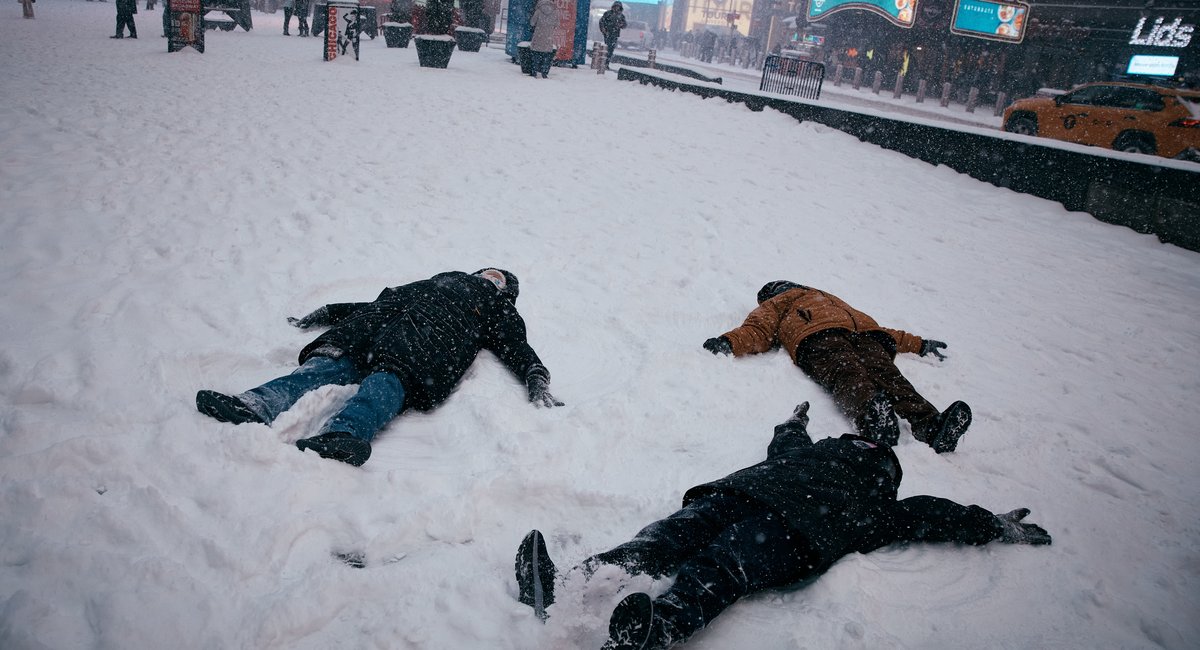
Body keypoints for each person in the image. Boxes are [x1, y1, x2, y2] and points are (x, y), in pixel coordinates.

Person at [515, 403, 1051, 650]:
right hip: (740, 494)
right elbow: (788, 443)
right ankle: (574, 583)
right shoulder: (806, 455)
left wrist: (994, 525)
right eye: (854, 444)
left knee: (722, 564)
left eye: (870, 452)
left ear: (884, 474)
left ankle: (658, 631)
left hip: (798, 530)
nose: (858, 449)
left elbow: (932, 513)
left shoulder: (878, 505)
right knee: (665, 537)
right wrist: (792, 423)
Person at [195, 269, 564, 467]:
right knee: (323, 368)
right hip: (374, 329)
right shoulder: (441, 278)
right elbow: (387, 300)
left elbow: (516, 346)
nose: (491, 278)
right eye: (489, 272)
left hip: (427, 345)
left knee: (387, 383)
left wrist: (535, 374)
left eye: (499, 279)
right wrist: (332, 311)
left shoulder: (499, 308)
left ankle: (345, 434)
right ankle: (255, 404)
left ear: (505, 291)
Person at [702, 281, 971, 453]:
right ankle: (872, 419)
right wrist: (730, 342)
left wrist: (919, 344)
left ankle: (931, 426)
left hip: (866, 336)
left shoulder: (829, 299)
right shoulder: (780, 303)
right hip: (817, 338)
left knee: (893, 378)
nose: (787, 287)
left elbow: (882, 330)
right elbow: (759, 328)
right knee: (848, 374)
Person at [527, 0, 558, 79]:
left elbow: (532, 23)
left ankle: (534, 72)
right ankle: (544, 73)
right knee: (546, 56)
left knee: (536, 54)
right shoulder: (555, 12)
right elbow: (557, 24)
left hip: (538, 36)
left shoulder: (538, 11)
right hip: (548, 37)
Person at [598, 1, 626, 69]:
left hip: (615, 35)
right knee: (606, 48)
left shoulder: (621, 16)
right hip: (607, 33)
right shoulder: (608, 13)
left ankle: (606, 63)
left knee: (611, 50)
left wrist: (621, 25)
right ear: (613, 6)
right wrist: (603, 29)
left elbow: (624, 25)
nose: (617, 8)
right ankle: (602, 62)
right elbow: (601, 22)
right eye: (616, 6)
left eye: (618, 6)